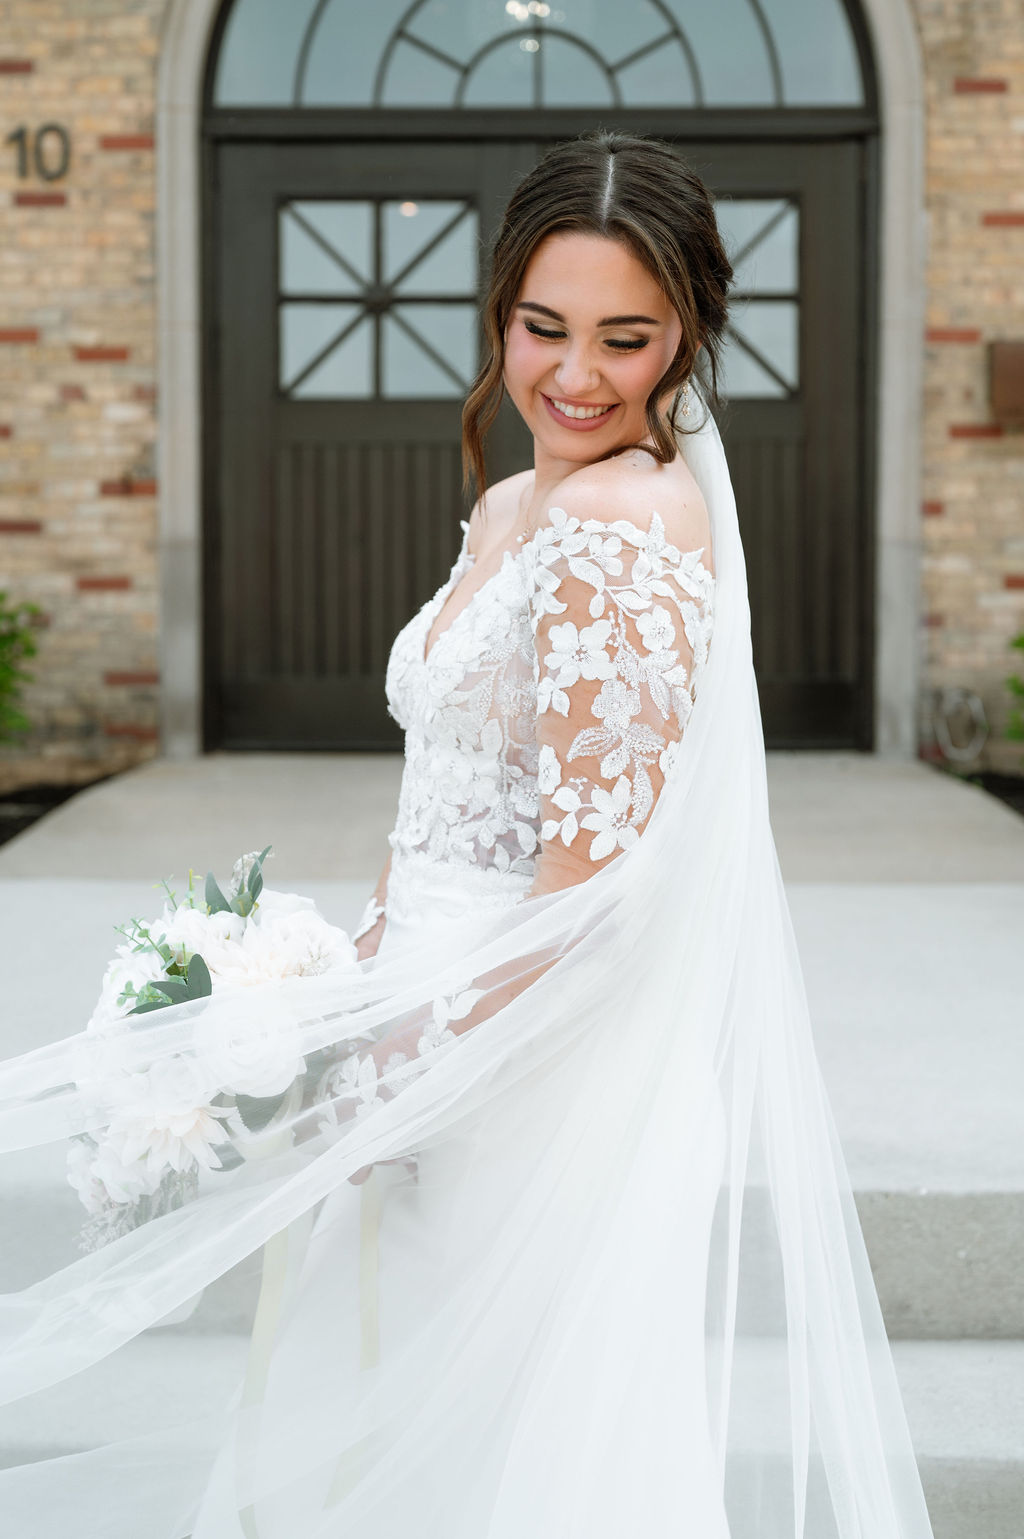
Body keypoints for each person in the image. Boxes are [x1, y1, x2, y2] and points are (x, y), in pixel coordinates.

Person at [0, 132, 934, 1538]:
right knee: (367, 1427)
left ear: (686, 338)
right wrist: (336, 990)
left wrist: (407, 1065)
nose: (575, 375)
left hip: (535, 1068)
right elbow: (437, 793)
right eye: (543, 327)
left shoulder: (624, 518)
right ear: (499, 311)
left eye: (625, 339)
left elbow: (592, 885)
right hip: (424, 1012)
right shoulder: (509, 504)